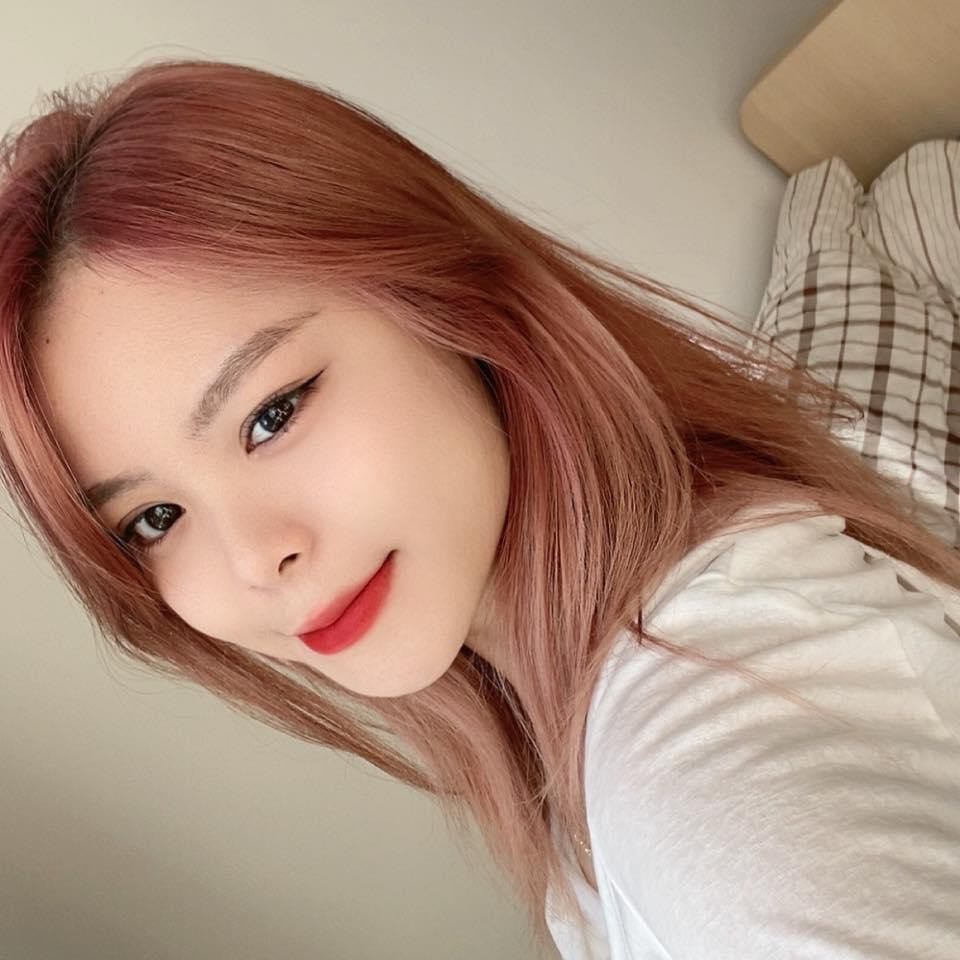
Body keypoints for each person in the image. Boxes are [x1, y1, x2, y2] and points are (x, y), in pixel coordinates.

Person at [0, 60, 957, 959]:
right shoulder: (558, 717)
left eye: (272, 415)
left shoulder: (715, 767)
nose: (256, 559)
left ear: (452, 303)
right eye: (154, 520)